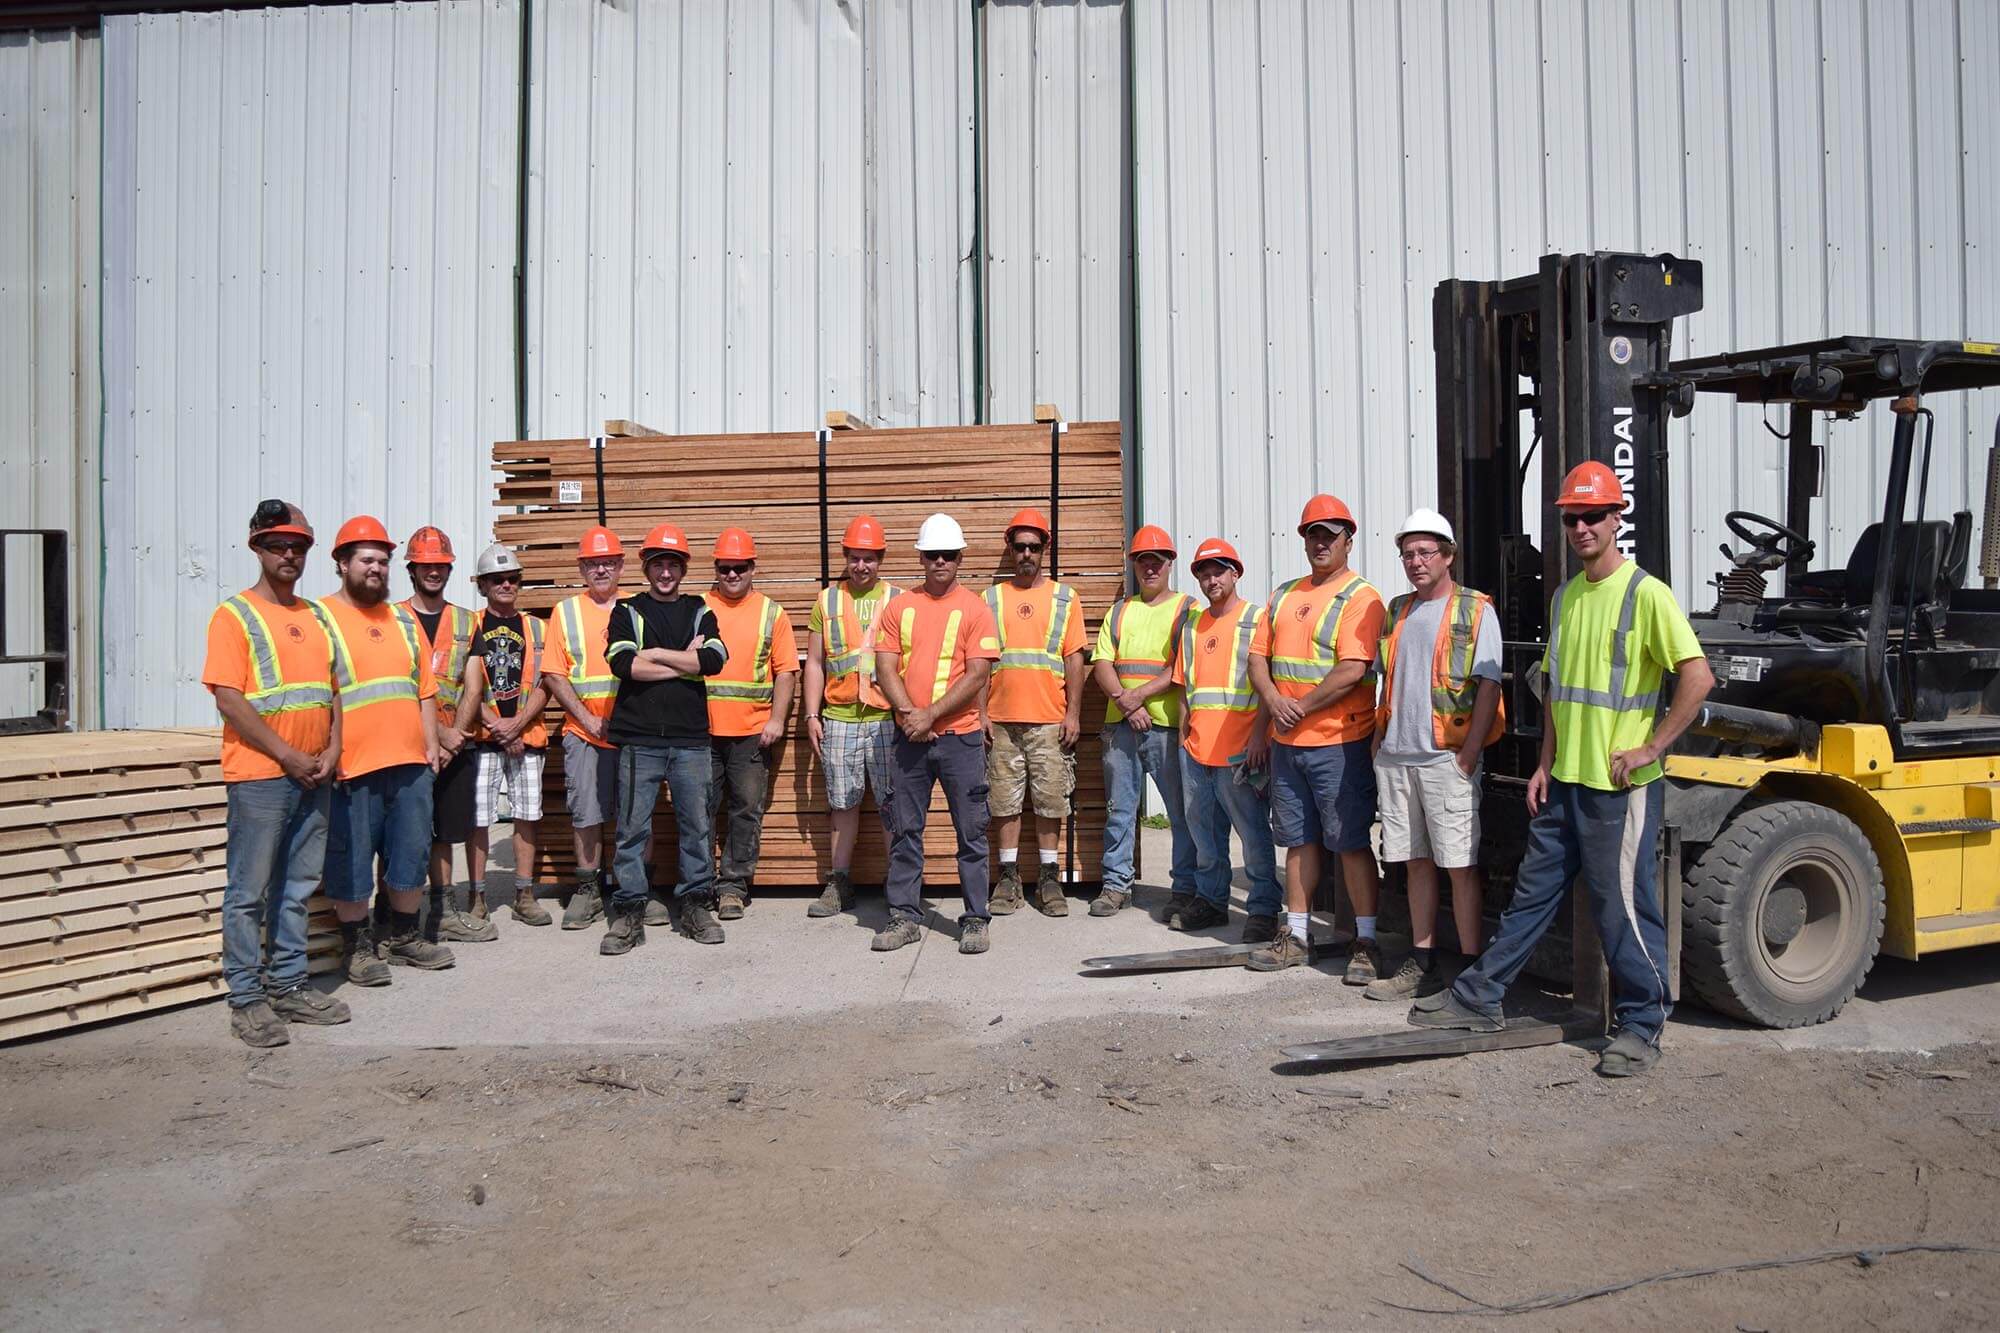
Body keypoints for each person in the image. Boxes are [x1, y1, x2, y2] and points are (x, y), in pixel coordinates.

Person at [1412, 462, 1714, 1078]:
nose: (1581, 527)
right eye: (1572, 518)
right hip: (1566, 781)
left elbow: (1698, 676)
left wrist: (1652, 749)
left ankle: (1640, 1024)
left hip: (1618, 787)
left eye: (1592, 516)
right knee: (1530, 897)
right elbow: (1555, 689)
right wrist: (1544, 763)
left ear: (1615, 518)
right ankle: (1480, 997)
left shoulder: (1644, 593)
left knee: (1620, 907)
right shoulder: (1566, 594)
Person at [202, 500, 347, 1046]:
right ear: (256, 548)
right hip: (262, 776)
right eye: (277, 545)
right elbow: (230, 699)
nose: (289, 554)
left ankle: (288, 985)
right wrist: (288, 755)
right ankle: (246, 999)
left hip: (315, 774)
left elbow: (332, 693)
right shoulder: (234, 616)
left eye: (298, 546)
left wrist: (332, 749)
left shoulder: (314, 618)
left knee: (297, 887)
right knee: (249, 891)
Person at [1247, 495, 1387, 980]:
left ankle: (1365, 941)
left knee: (1349, 842)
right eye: (1313, 534)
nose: (1320, 542)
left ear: (1349, 539)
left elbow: (1352, 669)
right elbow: (1257, 659)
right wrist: (1273, 702)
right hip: (1290, 744)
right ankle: (1299, 934)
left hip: (1338, 743)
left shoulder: (1361, 598)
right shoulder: (1284, 594)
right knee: (1299, 842)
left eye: (1330, 534)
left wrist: (1298, 706)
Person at [1365, 509, 1503, 1001]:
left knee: (1459, 865)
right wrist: (1381, 742)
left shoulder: (1476, 609)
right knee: (1415, 863)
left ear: (1448, 556)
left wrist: (1467, 755)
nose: (1416, 562)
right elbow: (1387, 678)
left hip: (1446, 758)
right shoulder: (1398, 609)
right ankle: (1423, 964)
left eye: (1426, 553)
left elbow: (1488, 685)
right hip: (1399, 757)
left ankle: (1469, 970)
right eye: (1408, 554)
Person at [314, 516, 453, 985]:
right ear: (341, 563)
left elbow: (424, 689)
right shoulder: (321, 618)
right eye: (366, 560)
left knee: (410, 854)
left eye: (382, 561)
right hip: (353, 764)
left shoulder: (401, 619)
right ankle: (356, 945)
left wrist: (431, 746)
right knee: (352, 860)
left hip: (410, 762)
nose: (376, 568)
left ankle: (403, 937)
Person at [871, 513, 1002, 955]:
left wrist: (928, 715)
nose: (940, 561)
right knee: (906, 830)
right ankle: (904, 916)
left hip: (960, 739)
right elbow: (884, 665)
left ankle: (975, 919)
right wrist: (910, 714)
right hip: (910, 737)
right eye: (932, 555)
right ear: (921, 558)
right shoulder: (900, 607)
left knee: (972, 833)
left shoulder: (976, 609)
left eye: (948, 554)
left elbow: (978, 674)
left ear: (960, 557)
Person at [600, 523, 730, 954]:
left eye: (673, 563)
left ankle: (695, 905)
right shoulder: (628, 611)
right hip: (639, 739)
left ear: (683, 568)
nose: (666, 572)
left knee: (697, 826)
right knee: (632, 830)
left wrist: (653, 653)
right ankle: (630, 913)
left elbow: (714, 658)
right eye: (659, 564)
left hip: (690, 739)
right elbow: (624, 665)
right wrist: (684, 662)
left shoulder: (699, 609)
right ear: (646, 567)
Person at [1169, 538, 1281, 938]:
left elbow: (1267, 684)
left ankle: (1265, 910)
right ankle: (1212, 901)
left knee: (1252, 835)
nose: (1211, 578)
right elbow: (1185, 685)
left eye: (1219, 570)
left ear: (1236, 573)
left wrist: (1259, 739)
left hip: (1240, 752)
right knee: (1204, 835)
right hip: (1198, 750)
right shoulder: (1193, 625)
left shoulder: (1257, 619)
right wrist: (1185, 732)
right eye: (1204, 572)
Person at [982, 508, 1087, 917]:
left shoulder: (1065, 598)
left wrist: (1073, 714)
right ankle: (1008, 879)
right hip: (1002, 720)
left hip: (1049, 719)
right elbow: (981, 661)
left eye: (1034, 546)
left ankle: (1048, 879)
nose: (1026, 553)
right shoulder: (991, 599)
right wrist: (982, 714)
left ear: (1046, 549)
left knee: (1050, 802)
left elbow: (1075, 658)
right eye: (1019, 546)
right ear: (1009, 549)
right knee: (1004, 801)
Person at [1089, 526, 1198, 918]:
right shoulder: (1120, 610)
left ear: (1170, 564)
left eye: (1158, 561)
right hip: (1122, 725)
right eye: (1143, 561)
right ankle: (1116, 886)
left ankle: (1185, 888)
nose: (1150, 567)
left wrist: (1138, 697)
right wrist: (1127, 703)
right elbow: (1102, 663)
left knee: (1180, 813)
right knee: (1120, 808)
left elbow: (1182, 666)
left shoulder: (1188, 609)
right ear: (1134, 565)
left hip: (1167, 727)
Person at [802, 515, 899, 917]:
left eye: (869, 558)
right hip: (839, 716)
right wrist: (812, 714)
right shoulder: (826, 601)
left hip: (885, 719)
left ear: (881, 559)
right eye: (855, 558)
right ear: (845, 557)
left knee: (894, 804)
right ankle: (839, 882)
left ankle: (900, 882)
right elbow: (814, 663)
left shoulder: (898, 600)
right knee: (842, 805)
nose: (861, 566)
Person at [400, 525, 491, 944]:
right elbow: (396, 688)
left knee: (447, 832)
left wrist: (455, 734)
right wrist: (437, 732)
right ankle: (395, 915)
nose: (434, 572)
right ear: (412, 569)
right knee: (404, 833)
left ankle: (443, 910)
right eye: (426, 566)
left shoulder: (466, 620)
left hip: (457, 745)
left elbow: (473, 685)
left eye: (441, 566)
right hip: (409, 745)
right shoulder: (393, 619)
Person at [702, 527, 799, 920]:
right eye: (724, 568)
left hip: (751, 734)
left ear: (752, 567)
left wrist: (776, 719)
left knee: (745, 811)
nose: (731, 575)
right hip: (701, 732)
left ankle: (732, 887)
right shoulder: (698, 607)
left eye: (739, 567)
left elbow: (786, 671)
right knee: (699, 810)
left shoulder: (771, 612)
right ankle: (700, 884)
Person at [454, 544, 552, 928]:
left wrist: (517, 724)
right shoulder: (469, 628)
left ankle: (524, 895)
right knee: (478, 820)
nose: (506, 585)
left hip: (526, 737)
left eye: (512, 578)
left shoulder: (536, 629)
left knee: (527, 816)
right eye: (497, 579)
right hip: (482, 739)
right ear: (482, 585)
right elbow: (464, 685)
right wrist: (497, 725)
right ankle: (476, 896)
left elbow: (547, 683)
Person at [542, 525, 625, 929]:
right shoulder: (566, 612)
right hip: (582, 733)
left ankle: (632, 891)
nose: (601, 569)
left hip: (628, 733)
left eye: (608, 562)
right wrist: (588, 719)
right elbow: (555, 674)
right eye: (594, 563)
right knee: (586, 813)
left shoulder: (636, 607)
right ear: (581, 567)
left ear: (621, 565)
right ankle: (588, 890)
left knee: (632, 814)